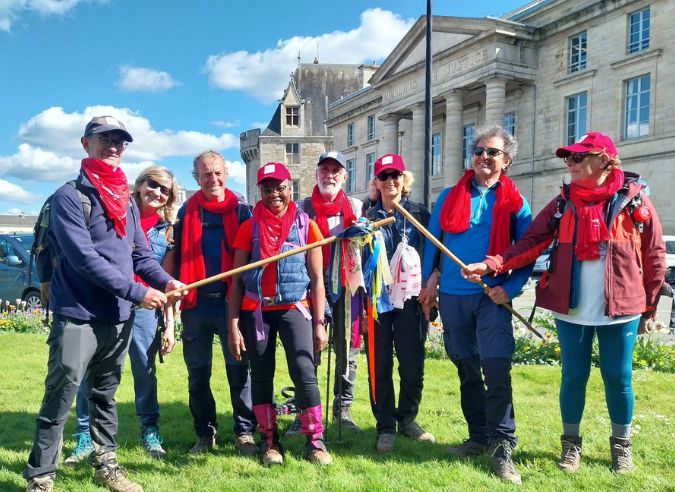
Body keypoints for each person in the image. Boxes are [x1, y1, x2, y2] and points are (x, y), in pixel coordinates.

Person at [463, 131, 666, 474]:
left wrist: (649, 306)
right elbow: (532, 241)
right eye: (567, 158)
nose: (569, 164)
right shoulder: (562, 203)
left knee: (618, 378)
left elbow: (655, 253)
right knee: (573, 377)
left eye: (577, 158)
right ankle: (571, 446)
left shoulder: (634, 200)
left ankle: (621, 446)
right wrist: (493, 263)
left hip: (621, 308)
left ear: (603, 160)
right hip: (571, 308)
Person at [23, 116, 185, 492]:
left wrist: (166, 281)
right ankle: (41, 477)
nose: (114, 146)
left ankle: (106, 465)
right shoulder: (68, 196)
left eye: (120, 141)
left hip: (118, 317)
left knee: (104, 396)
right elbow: (83, 258)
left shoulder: (125, 203)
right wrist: (137, 292)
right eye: (105, 139)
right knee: (61, 396)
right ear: (86, 144)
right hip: (78, 314)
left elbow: (142, 256)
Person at [420, 124, 532, 484]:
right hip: (453, 298)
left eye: (493, 152)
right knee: (466, 369)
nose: (484, 157)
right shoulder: (450, 196)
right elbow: (432, 243)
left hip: (491, 298)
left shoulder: (516, 202)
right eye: (479, 151)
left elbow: (527, 252)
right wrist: (430, 281)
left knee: (496, 370)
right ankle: (478, 437)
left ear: (507, 160)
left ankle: (502, 446)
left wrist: (510, 288)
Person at [65, 165, 180, 464]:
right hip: (106, 303)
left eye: (164, 190)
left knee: (144, 370)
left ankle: (150, 430)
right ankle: (84, 437)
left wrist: (170, 325)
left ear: (170, 198)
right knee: (90, 372)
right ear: (140, 185)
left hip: (145, 308)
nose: (157, 192)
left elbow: (164, 278)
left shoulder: (167, 231)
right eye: (152, 184)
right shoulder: (113, 211)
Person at [228, 162, 332, 466]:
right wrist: (233, 324)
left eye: (280, 187)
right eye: (267, 188)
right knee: (261, 376)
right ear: (260, 191)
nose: (274, 193)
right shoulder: (249, 227)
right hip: (257, 311)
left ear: (290, 189)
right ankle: (270, 442)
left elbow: (317, 279)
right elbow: (236, 280)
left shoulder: (305, 225)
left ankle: (315, 441)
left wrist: (320, 322)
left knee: (304, 373)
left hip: (295, 308)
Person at [163, 150, 258, 455]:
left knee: (239, 372)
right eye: (206, 174)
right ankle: (205, 433)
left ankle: (244, 432)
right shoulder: (186, 213)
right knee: (198, 373)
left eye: (217, 172)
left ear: (226, 174)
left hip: (232, 305)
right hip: (197, 305)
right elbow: (173, 259)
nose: (213, 178)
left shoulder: (243, 211)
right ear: (196, 178)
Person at [364, 153, 434, 454]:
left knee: (412, 363)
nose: (390, 180)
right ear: (376, 183)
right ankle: (385, 425)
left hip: (410, 300)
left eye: (396, 175)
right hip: (378, 300)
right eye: (384, 176)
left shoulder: (419, 213)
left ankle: (407, 418)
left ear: (403, 179)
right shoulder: (367, 218)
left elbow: (433, 253)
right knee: (379, 364)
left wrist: (433, 284)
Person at [295, 150, 363, 432]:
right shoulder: (302, 208)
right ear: (317, 174)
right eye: (325, 170)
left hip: (347, 288)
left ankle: (342, 409)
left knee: (348, 349)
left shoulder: (357, 208)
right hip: (312, 287)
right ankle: (306, 412)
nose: (330, 176)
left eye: (336, 171)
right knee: (308, 349)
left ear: (344, 177)